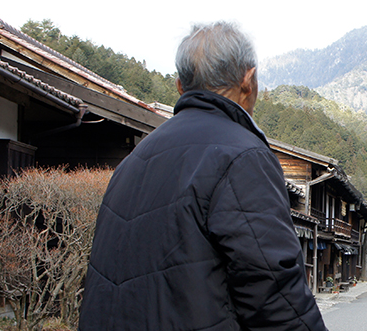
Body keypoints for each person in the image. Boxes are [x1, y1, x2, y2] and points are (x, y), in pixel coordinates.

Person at [80, 22, 326, 331]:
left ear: (180, 86)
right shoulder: (242, 156)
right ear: (248, 81)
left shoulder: (132, 163)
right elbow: (273, 291)